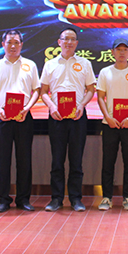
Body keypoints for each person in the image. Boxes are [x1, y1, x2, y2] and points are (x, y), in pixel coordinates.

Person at [40, 27, 96, 212]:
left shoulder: (85, 63)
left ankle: (75, 198)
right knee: (57, 160)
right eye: (66, 39)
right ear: (59, 42)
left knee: (76, 160)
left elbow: (91, 89)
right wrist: (51, 106)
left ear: (77, 43)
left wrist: (82, 105)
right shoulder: (50, 64)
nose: (69, 42)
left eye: (72, 39)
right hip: (56, 116)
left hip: (78, 116)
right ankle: (56, 199)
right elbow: (43, 91)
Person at [0, 30, 40, 213]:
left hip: (24, 116)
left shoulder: (30, 65)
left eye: (16, 42)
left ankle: (24, 199)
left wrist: (27, 108)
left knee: (24, 160)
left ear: (21, 44)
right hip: (2, 117)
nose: (13, 46)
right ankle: (3, 199)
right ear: (3, 44)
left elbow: (36, 90)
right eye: (9, 42)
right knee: (3, 159)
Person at [96, 38, 128, 211]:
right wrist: (108, 117)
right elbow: (100, 97)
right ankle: (106, 197)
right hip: (109, 124)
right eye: (118, 49)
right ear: (112, 52)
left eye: (125, 49)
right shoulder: (105, 72)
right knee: (108, 162)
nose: (122, 52)